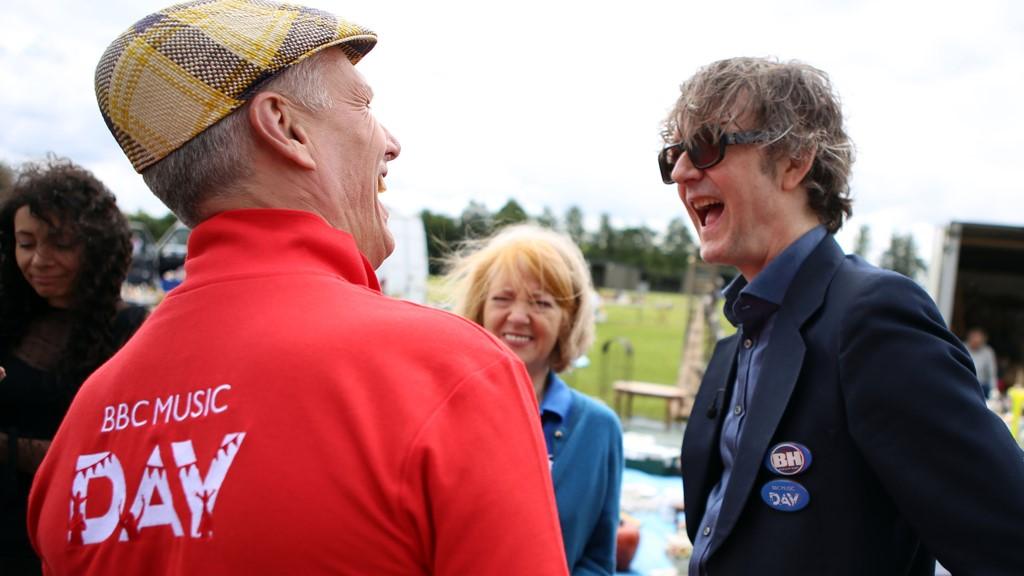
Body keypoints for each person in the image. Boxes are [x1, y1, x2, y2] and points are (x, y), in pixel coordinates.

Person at [28, 2, 568, 575]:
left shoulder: (87, 421)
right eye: (363, 106)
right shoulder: (450, 374)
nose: (391, 143)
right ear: (285, 128)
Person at [659, 57, 1024, 575]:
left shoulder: (872, 319)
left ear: (794, 159)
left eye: (706, 147)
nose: (680, 172)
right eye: (672, 155)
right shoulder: (736, 346)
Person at [447, 224, 623, 575]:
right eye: (502, 298)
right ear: (479, 308)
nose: (517, 316)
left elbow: (597, 560)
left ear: (567, 321)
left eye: (541, 303)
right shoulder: (442, 413)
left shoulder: (598, 429)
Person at [0, 157, 147, 574]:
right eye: (26, 244)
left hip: (76, 541)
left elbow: (116, 461)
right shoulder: (8, 321)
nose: (39, 260)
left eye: (60, 244)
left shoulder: (132, 332)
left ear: (97, 246)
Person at [964, 327, 998, 400]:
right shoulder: (962, 347)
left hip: (981, 386)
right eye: (974, 341)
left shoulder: (988, 352)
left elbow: (992, 373)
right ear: (969, 338)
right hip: (963, 382)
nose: (976, 343)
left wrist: (994, 389)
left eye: (978, 342)